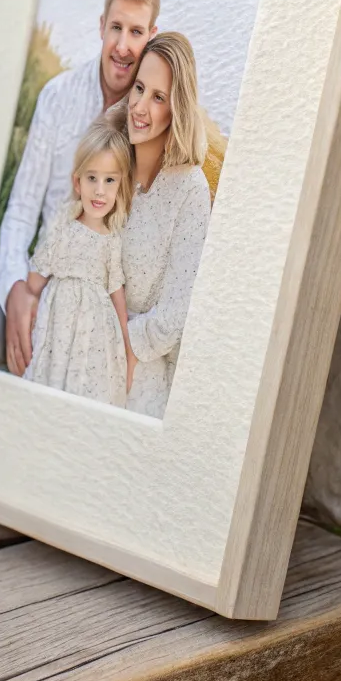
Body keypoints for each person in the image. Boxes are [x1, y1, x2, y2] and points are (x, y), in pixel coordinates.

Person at [0, 0, 160, 372]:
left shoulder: (147, 123)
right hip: (36, 285)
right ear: (102, 25)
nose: (124, 46)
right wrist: (16, 288)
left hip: (92, 313)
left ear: (151, 36)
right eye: (117, 28)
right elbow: (21, 209)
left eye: (137, 32)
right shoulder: (57, 97)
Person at [115, 32, 212, 418]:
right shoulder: (111, 163)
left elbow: (173, 318)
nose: (139, 107)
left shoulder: (190, 190)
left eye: (157, 98)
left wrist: (122, 343)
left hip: (142, 364)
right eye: (139, 88)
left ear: (177, 107)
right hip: (85, 330)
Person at [21, 120, 135, 408]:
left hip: (95, 327)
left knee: (87, 382)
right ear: (77, 182)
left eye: (110, 180)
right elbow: (38, 274)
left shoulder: (111, 238)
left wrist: (124, 339)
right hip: (60, 318)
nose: (99, 191)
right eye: (92, 178)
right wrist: (31, 296)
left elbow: (115, 289)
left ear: (121, 185)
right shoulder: (64, 224)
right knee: (53, 372)